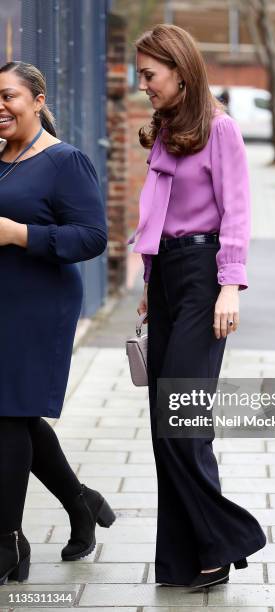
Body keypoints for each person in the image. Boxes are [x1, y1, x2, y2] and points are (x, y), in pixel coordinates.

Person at [129, 24, 266, 589]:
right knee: (166, 424)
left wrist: (230, 285)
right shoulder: (166, 129)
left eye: (149, 75)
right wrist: (147, 282)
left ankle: (226, 537)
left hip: (205, 278)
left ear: (180, 73)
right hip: (165, 280)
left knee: (184, 422)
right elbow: (159, 213)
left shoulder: (222, 130)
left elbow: (237, 212)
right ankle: (186, 558)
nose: (143, 86)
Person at [0, 61, 116, 586]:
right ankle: (81, 502)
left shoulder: (66, 162)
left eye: (9, 97)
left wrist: (18, 234)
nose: (0, 108)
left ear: (38, 100)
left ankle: (8, 543)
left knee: (6, 415)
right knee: (16, 414)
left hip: (38, 305)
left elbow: (91, 238)